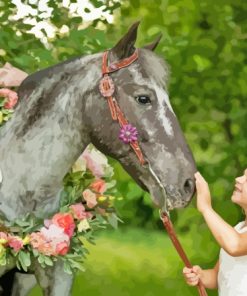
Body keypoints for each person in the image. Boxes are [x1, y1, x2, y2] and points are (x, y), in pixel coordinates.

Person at [183, 169, 247, 295]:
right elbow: (218, 276)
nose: (238, 179)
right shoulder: (237, 230)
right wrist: (200, 275)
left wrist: (206, 207)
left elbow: (235, 246)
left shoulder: (235, 240)